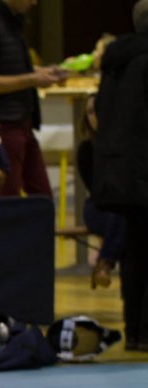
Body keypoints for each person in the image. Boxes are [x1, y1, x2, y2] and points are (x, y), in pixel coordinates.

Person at [92, 0, 148, 351]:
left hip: (119, 170)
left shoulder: (116, 59)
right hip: (143, 168)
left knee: (135, 252)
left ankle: (135, 331)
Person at [0, 0, 67, 198]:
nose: (34, 2)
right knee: (9, 196)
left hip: (23, 121)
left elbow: (11, 69)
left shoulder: (13, 20)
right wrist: (33, 79)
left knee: (41, 196)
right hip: (3, 122)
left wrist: (45, 72)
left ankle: (38, 229)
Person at [76, 93, 125, 290]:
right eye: (89, 112)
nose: (94, 116)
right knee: (122, 214)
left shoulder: (125, 145)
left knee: (126, 214)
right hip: (98, 206)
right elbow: (95, 189)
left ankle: (105, 262)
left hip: (122, 208)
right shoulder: (86, 149)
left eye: (98, 111)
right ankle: (106, 261)